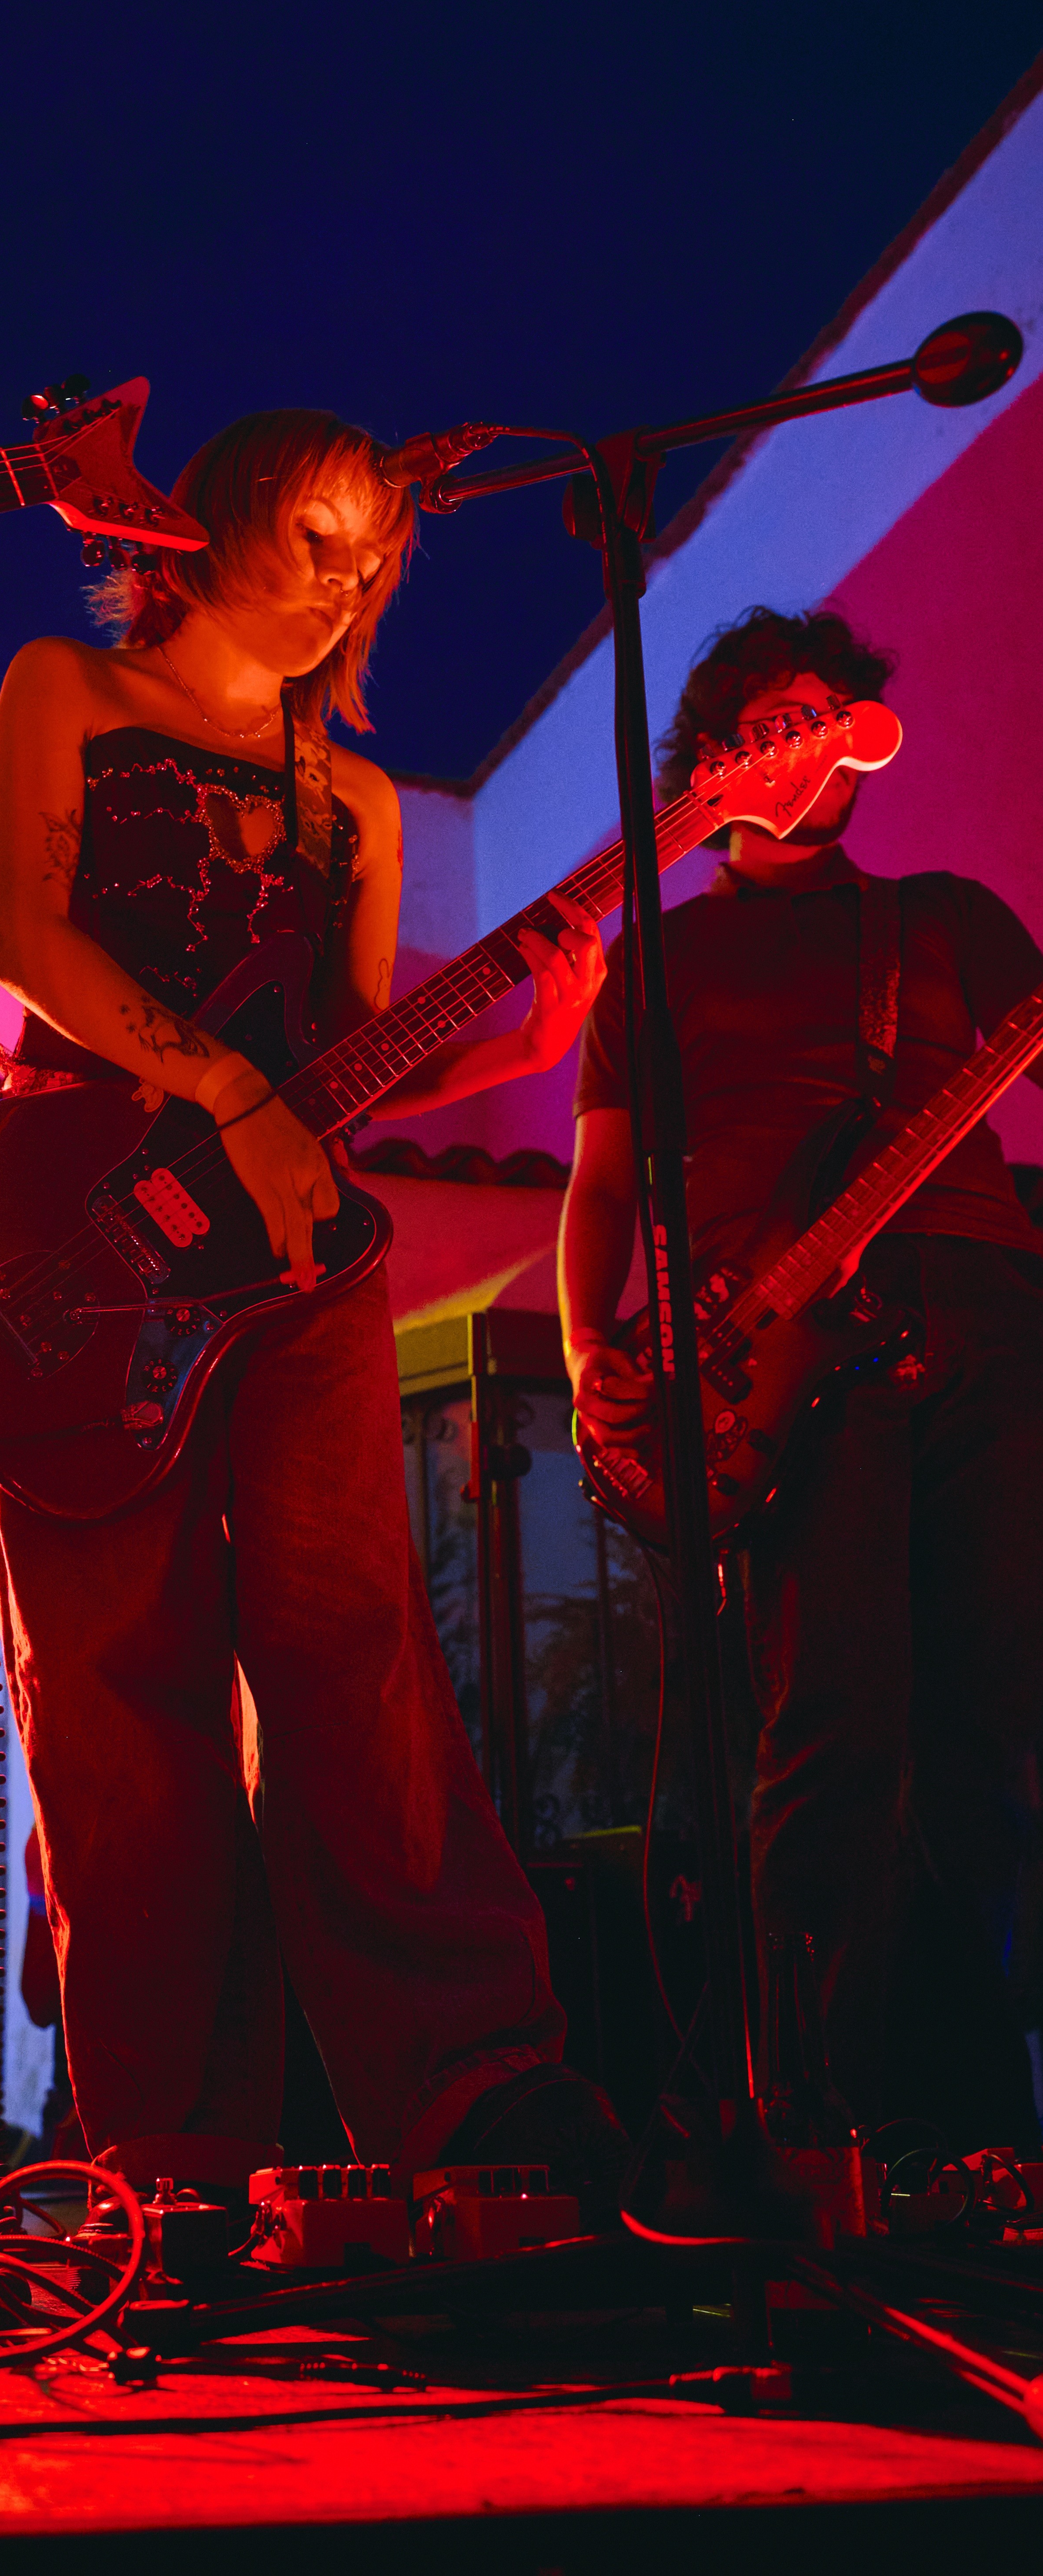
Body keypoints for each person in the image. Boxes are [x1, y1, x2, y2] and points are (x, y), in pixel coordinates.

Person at [0, 406, 623, 2209]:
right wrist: (222, 1089)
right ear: (209, 529)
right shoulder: (68, 690)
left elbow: (335, 1069)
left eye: (374, 552)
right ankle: (170, 2151)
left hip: (298, 1248)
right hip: (80, 1232)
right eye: (317, 536)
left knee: (356, 1642)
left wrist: (513, 1045)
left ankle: (473, 2085)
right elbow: (26, 940)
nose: (348, 579)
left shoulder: (360, 799)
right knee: (121, 1680)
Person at [559, 605, 1043, 2149]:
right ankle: (814, 2128)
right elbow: (602, 1184)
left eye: (838, 717)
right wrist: (587, 1352)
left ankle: (987, 2133)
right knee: (830, 1730)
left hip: (978, 1310)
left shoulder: (946, 919)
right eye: (784, 720)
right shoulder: (662, 958)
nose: (819, 745)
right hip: (774, 1354)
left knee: (997, 1728)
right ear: (715, 758)